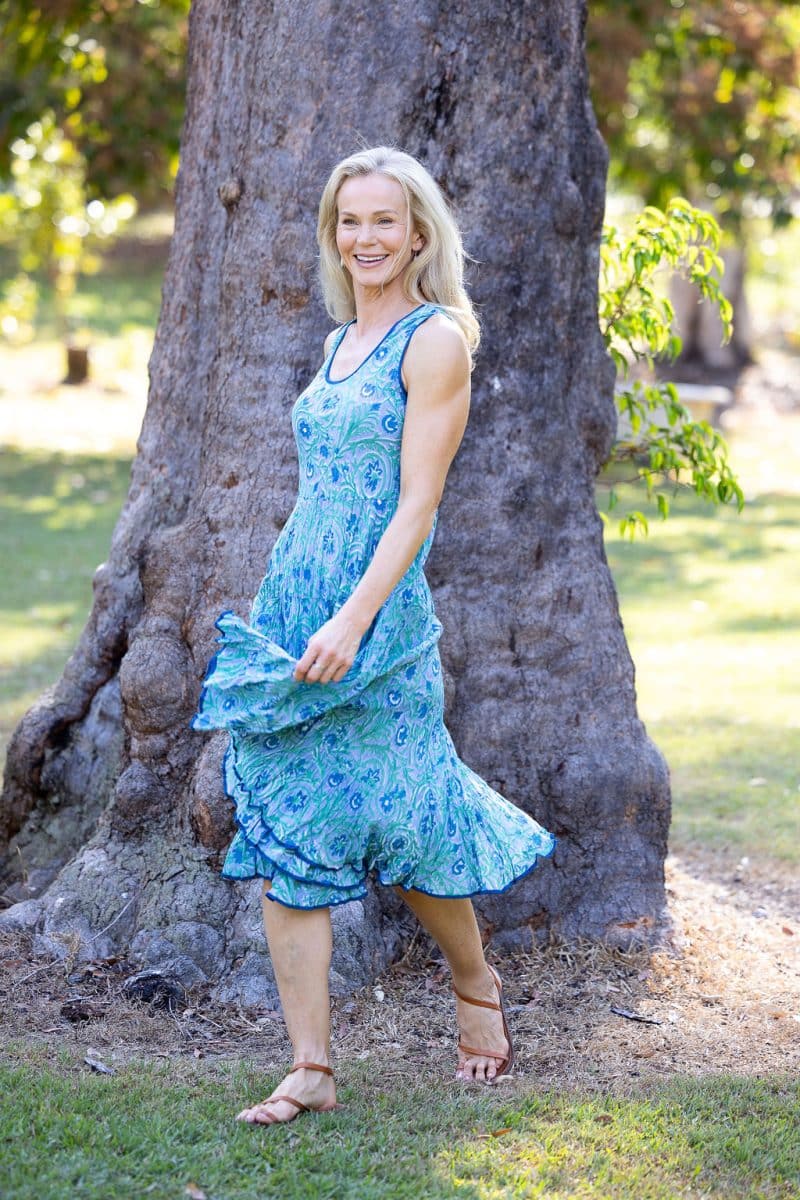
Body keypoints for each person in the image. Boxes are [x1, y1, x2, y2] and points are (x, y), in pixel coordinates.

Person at [190, 144, 556, 1126]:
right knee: (285, 827)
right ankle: (309, 1066)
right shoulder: (335, 341)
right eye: (348, 222)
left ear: (418, 232)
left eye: (382, 221)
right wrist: (303, 606)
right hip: (294, 605)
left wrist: (354, 618)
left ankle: (474, 985)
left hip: (376, 617)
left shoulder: (433, 341)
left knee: (413, 818)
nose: (364, 239)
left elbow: (415, 503)